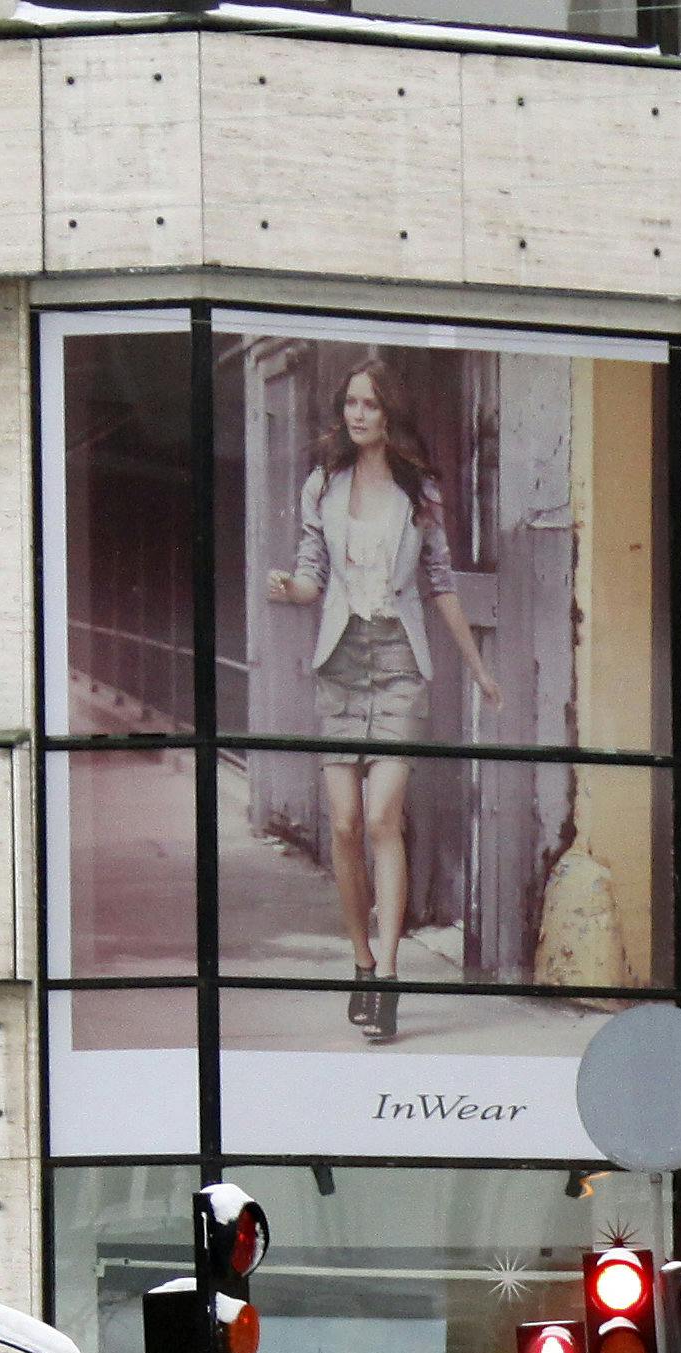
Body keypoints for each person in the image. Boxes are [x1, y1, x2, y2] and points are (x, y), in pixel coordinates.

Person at [262, 356, 505, 1047]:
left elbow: (441, 584)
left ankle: (392, 976)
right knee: (342, 826)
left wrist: (478, 668)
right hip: (340, 662)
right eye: (350, 404)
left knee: (380, 817)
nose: (357, 414)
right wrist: (291, 588)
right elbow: (313, 576)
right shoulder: (322, 485)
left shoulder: (418, 492)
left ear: (390, 412)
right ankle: (362, 964)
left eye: (369, 404)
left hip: (400, 661)